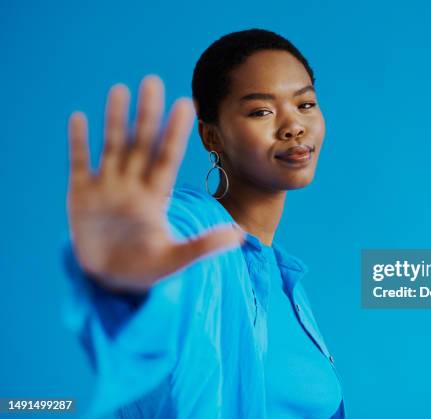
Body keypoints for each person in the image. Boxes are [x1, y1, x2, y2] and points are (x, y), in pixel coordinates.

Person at [63, 28, 345, 418]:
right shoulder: (198, 236)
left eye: (306, 104)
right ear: (212, 136)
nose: (293, 126)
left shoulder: (286, 282)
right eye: (261, 111)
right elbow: (169, 244)